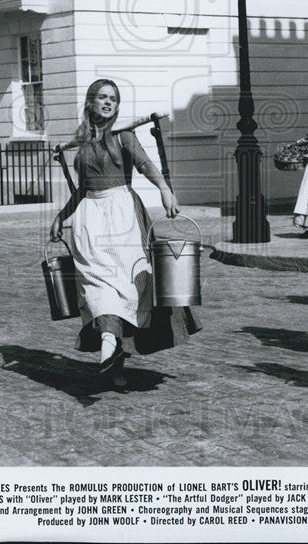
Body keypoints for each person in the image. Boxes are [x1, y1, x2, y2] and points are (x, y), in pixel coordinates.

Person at [50, 79, 200, 388]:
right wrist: (61, 216)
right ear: (91, 103)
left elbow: (146, 165)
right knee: (98, 286)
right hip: (90, 221)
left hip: (124, 218)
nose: (107, 103)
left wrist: (165, 191)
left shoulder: (124, 137)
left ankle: (113, 352)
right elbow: (83, 189)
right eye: (102, 97)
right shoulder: (81, 143)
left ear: (117, 107)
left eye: (113, 99)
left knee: (127, 288)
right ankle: (109, 344)